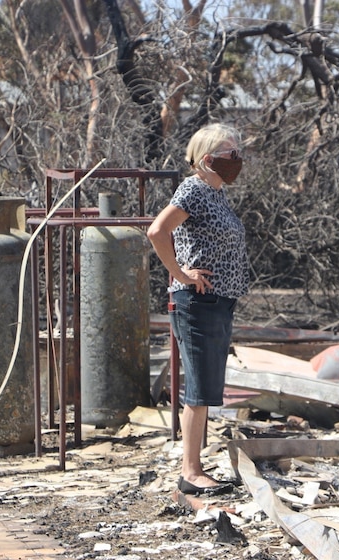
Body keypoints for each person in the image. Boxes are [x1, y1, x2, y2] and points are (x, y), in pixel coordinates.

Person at [147, 123, 249, 495]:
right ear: (207, 160)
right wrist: (181, 274)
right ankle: (191, 471)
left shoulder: (216, 194)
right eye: (230, 154)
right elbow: (158, 232)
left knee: (206, 387)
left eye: (238, 153)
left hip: (219, 301)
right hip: (197, 301)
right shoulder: (193, 189)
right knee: (199, 388)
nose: (237, 161)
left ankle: (196, 465)